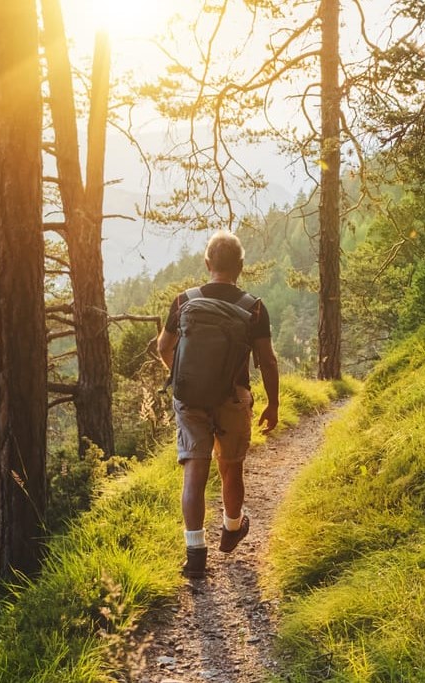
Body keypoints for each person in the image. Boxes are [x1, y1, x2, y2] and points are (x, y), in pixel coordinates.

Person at [157, 230, 280, 579]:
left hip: (190, 398)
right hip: (233, 397)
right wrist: (272, 404)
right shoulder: (253, 307)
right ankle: (231, 528)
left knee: (194, 470)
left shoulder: (183, 300)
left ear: (207, 263)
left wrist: (185, 378)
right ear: (240, 267)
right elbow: (267, 361)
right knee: (231, 465)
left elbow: (164, 347)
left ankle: (195, 553)